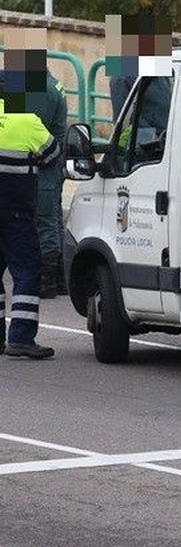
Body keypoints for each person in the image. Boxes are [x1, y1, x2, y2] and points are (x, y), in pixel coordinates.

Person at [0, 89, 61, 359]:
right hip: (15, 213)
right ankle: (21, 337)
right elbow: (52, 154)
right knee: (26, 270)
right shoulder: (26, 120)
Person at [31, 71, 68, 298]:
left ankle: (46, 282)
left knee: (44, 220)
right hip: (51, 162)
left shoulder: (37, 88)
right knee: (52, 218)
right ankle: (60, 278)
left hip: (42, 162)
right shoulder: (50, 83)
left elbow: (31, 127)